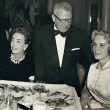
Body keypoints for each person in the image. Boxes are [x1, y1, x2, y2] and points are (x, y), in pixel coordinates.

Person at [32, 1, 94, 96]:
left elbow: (90, 65)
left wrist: (86, 90)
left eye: (69, 20)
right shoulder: (40, 34)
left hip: (71, 88)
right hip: (48, 88)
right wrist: (39, 91)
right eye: (62, 20)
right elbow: (39, 65)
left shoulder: (80, 36)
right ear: (53, 18)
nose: (66, 24)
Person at [80, 30, 110, 110]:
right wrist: (85, 94)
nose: (96, 48)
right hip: (93, 104)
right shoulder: (92, 67)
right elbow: (86, 88)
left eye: (102, 45)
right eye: (94, 44)